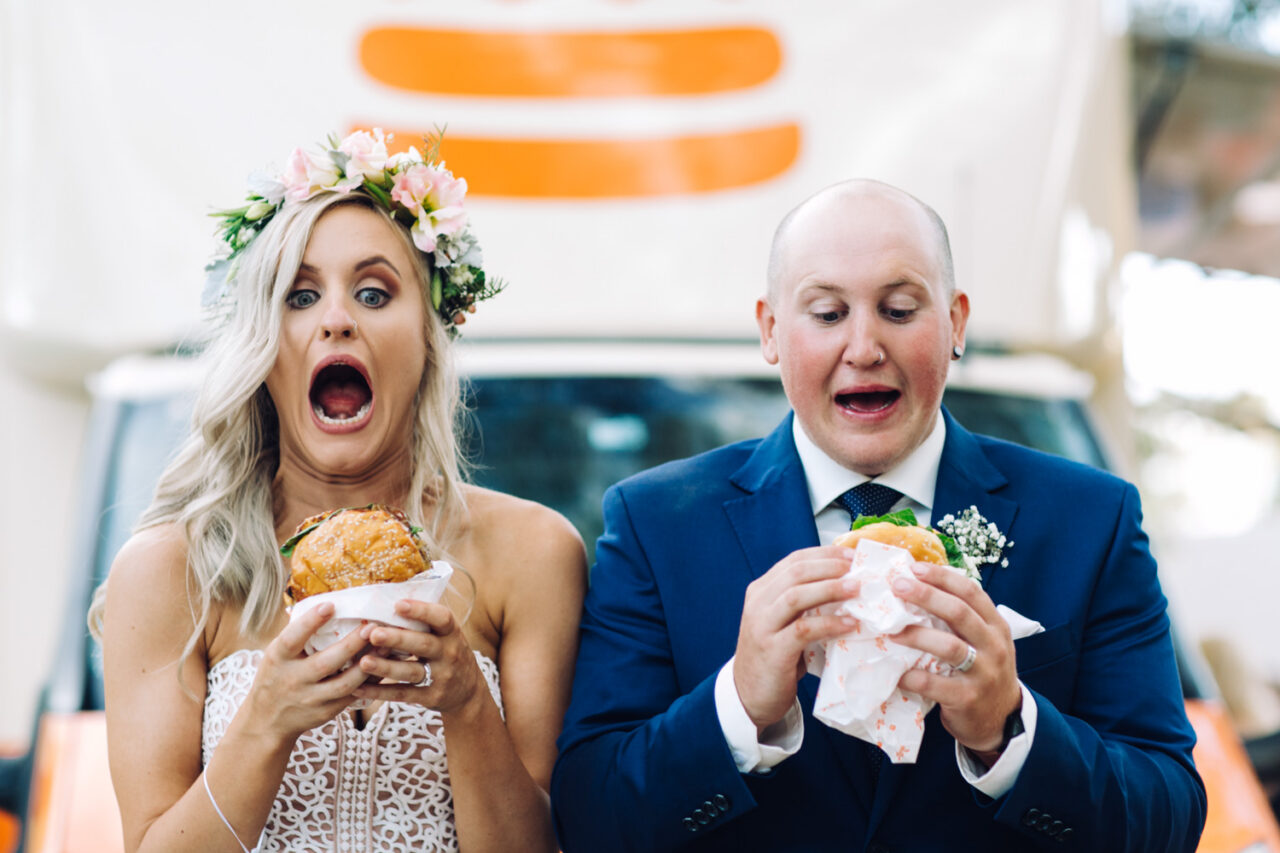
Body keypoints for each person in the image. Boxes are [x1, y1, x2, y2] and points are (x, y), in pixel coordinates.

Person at [551, 179, 1206, 851]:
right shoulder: (655, 523)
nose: (863, 346)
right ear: (771, 330)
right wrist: (736, 707)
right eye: (828, 313)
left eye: (898, 309)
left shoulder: (1091, 519)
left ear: (955, 322)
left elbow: (1170, 815)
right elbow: (589, 817)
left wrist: (1010, 728)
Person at [90, 129, 586, 853]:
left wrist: (466, 703)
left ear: (428, 337)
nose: (337, 319)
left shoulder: (534, 553)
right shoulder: (168, 571)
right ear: (261, 345)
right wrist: (266, 717)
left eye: (375, 292)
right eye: (300, 295)